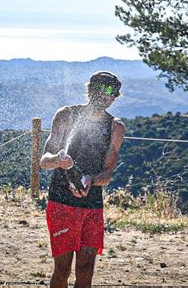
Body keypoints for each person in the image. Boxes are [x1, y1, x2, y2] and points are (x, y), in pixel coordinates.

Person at [40, 71, 126, 288]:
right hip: (61, 203)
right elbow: (44, 161)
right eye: (103, 90)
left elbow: (107, 175)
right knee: (62, 269)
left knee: (86, 271)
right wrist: (58, 159)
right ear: (89, 90)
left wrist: (91, 180)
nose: (107, 96)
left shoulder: (115, 127)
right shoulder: (66, 115)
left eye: (112, 93)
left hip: (92, 206)